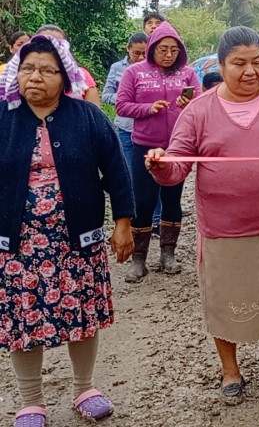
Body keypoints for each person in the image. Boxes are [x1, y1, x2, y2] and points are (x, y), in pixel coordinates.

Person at [146, 26, 259, 404]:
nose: (250, 71)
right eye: (239, 63)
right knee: (224, 303)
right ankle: (230, 370)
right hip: (224, 229)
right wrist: (160, 165)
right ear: (220, 67)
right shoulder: (198, 111)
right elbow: (177, 167)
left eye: (257, 62)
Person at [0, 34, 134, 426]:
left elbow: (116, 171)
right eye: (27, 69)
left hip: (76, 239)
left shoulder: (88, 117)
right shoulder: (3, 117)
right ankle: (31, 401)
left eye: (46, 70)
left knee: (81, 313)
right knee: (21, 321)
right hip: (18, 243)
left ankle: (84, 388)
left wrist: (123, 222)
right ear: (15, 74)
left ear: (64, 76)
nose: (35, 78)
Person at [116, 21, 200, 283]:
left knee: (173, 200)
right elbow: (121, 105)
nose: (168, 55)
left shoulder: (187, 74)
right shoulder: (135, 72)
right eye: (163, 49)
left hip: (178, 147)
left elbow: (201, 105)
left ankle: (168, 254)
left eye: (174, 50)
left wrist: (189, 103)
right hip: (144, 145)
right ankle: (138, 259)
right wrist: (148, 109)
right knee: (143, 200)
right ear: (152, 48)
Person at [102, 32, 148, 172]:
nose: (140, 57)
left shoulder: (153, 68)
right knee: (129, 172)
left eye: (144, 53)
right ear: (127, 49)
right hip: (125, 128)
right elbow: (106, 95)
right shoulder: (117, 68)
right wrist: (124, 98)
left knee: (150, 174)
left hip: (148, 129)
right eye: (136, 53)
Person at [34, 25, 102, 108]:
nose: (52, 47)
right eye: (44, 43)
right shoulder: (23, 75)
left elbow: (95, 114)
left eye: (58, 44)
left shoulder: (82, 76)